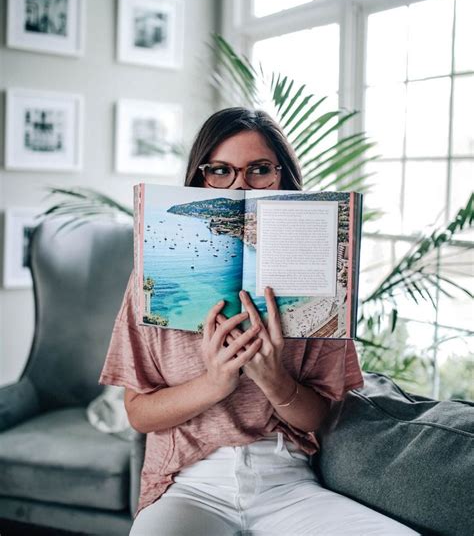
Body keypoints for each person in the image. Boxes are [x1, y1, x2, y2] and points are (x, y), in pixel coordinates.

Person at [99, 107, 419, 535]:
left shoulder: (319, 277)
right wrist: (214, 383)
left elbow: (321, 417)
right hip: (188, 484)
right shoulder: (153, 277)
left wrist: (275, 380)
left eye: (259, 170)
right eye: (220, 171)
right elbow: (139, 414)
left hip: (287, 481)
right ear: (200, 179)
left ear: (283, 176)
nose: (240, 187)